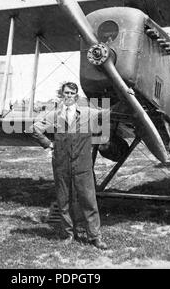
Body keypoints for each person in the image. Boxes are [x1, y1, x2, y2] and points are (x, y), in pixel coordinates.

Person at [30, 82, 108, 250]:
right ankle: (69, 234)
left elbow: (109, 111)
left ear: (77, 96)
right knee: (64, 200)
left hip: (83, 164)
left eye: (72, 93)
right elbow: (35, 129)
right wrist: (48, 144)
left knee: (88, 200)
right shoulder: (54, 115)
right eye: (66, 93)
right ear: (62, 95)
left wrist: (128, 95)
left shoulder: (88, 113)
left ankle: (95, 237)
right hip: (61, 164)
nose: (69, 96)